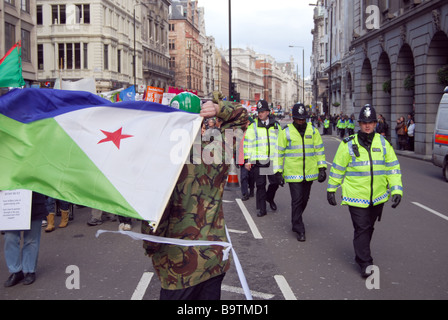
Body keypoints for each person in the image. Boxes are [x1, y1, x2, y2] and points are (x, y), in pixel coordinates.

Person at [141, 92, 248, 300]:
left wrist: (150, 246)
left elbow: (155, 217)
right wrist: (218, 108)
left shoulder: (162, 159)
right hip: (213, 259)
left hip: (179, 267)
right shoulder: (216, 149)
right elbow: (242, 116)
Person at [327, 104, 403, 278]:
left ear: (375, 123)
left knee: (368, 227)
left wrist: (397, 190)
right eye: (364, 122)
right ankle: (366, 263)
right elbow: (338, 167)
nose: (367, 125)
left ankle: (360, 254)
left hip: (377, 196)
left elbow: (393, 168)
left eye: (370, 122)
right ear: (359, 124)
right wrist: (331, 188)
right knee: (362, 228)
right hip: (355, 195)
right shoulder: (348, 144)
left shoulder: (384, 144)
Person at [277, 103, 327, 242]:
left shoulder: (313, 130)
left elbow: (319, 150)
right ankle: (299, 228)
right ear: (294, 118)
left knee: (305, 199)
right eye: (298, 118)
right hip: (293, 172)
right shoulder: (285, 131)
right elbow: (279, 153)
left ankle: (295, 220)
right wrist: (278, 172)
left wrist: (322, 167)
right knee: (297, 199)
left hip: (310, 172)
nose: (301, 121)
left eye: (303, 118)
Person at [244, 100, 281, 217]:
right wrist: (247, 160)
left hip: (271, 161)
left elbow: (280, 142)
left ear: (268, 112)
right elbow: (248, 144)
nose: (260, 114)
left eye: (263, 111)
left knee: (275, 182)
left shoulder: (275, 125)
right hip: (259, 161)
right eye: (259, 112)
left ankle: (269, 198)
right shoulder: (253, 126)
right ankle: (262, 209)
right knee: (260, 185)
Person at [3, 192, 48, 287]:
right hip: (11, 202)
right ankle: (16, 271)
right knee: (10, 238)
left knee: (31, 239)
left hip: (35, 201)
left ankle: (29, 270)